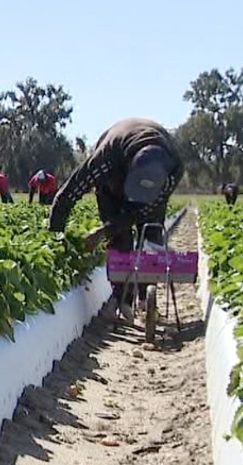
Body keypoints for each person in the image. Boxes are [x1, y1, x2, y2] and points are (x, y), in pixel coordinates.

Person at [48, 117, 184, 322]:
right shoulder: (106, 157)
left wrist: (103, 231)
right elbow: (67, 195)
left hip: (152, 191)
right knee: (120, 242)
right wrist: (55, 241)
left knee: (151, 233)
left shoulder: (174, 167)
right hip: (111, 186)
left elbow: (142, 211)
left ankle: (146, 298)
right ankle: (123, 299)